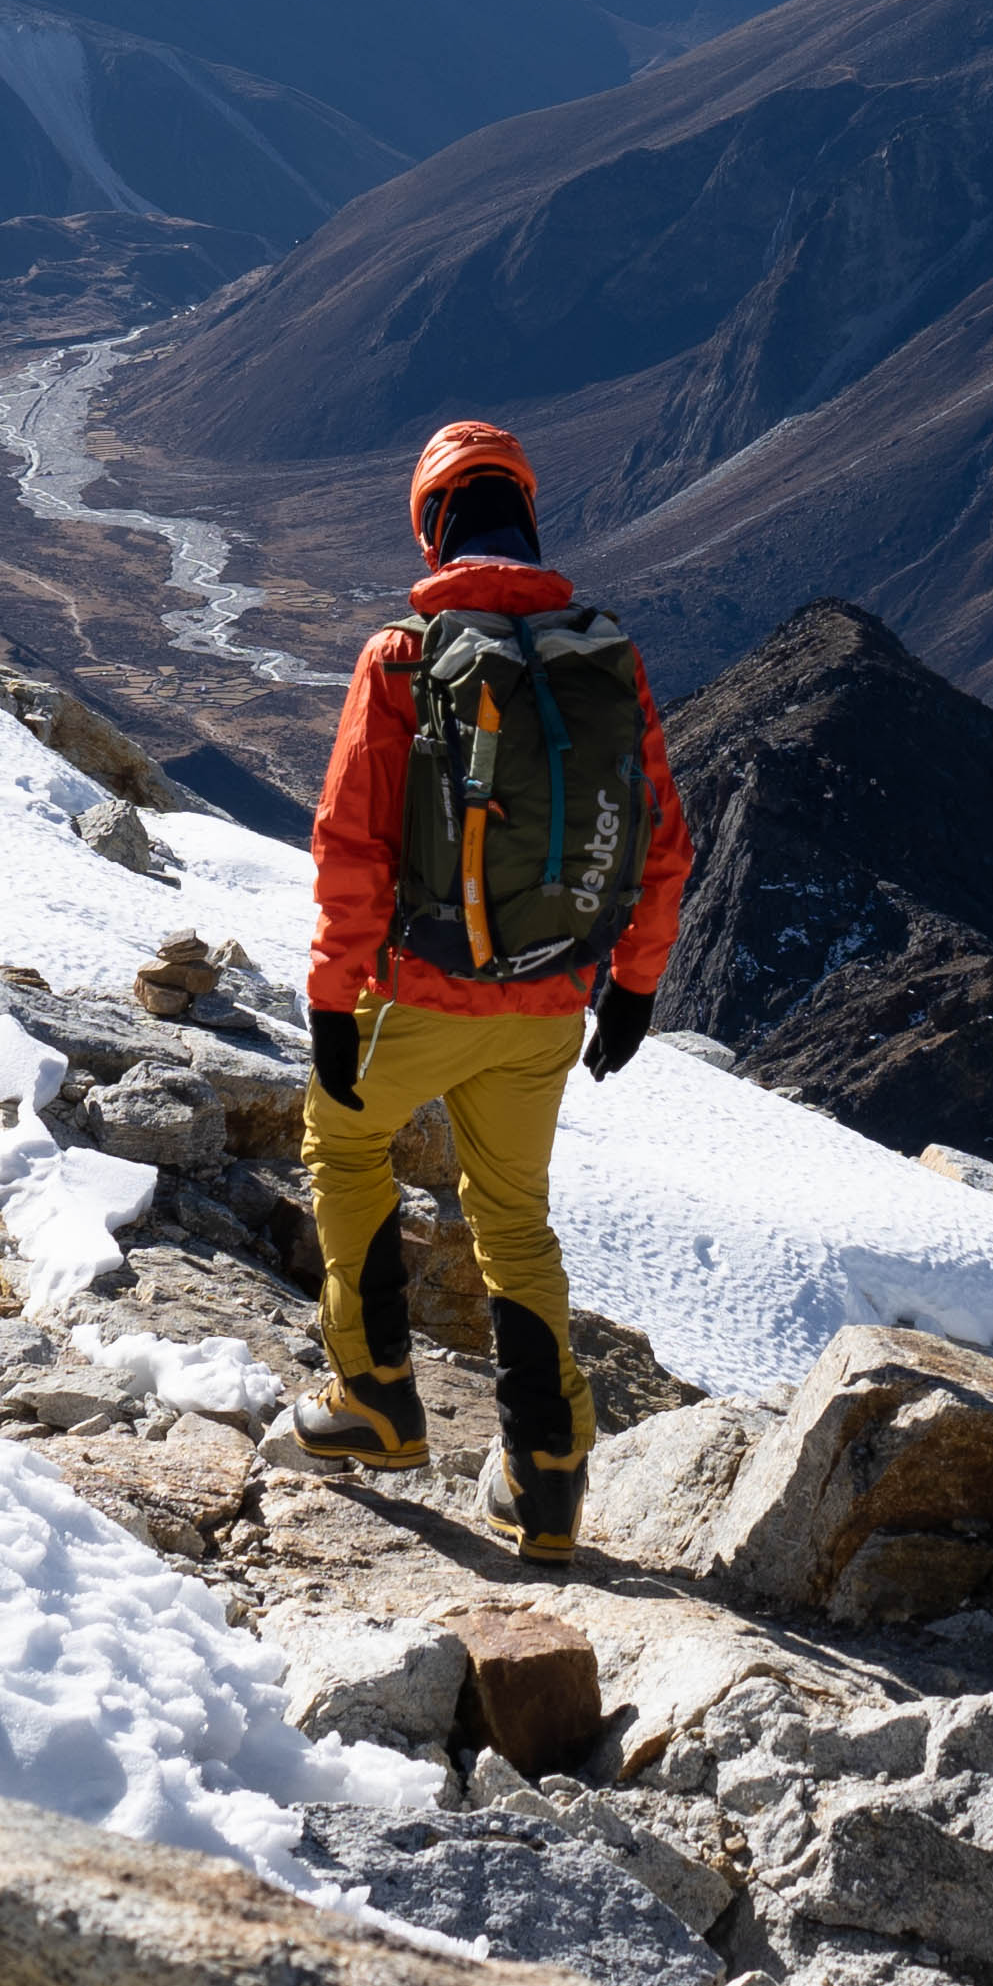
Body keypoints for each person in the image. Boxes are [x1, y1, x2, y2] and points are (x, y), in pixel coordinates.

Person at [289, 419, 693, 1561]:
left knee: (344, 1144)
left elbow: (351, 847)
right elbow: (663, 841)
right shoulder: (602, 657)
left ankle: (372, 1394)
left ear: (434, 521)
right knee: (514, 1218)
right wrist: (632, 988)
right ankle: (549, 1477)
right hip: (549, 1004)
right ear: (525, 510)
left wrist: (331, 998)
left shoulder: (404, 658)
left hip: (420, 992)